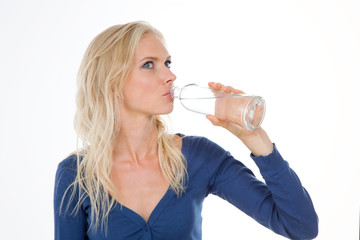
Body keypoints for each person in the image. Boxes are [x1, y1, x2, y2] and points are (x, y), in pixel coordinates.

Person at [54, 21, 318, 240]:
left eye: (167, 63)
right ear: (111, 82)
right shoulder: (75, 175)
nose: (170, 76)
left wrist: (255, 138)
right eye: (149, 64)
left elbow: (301, 227)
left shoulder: (198, 156)